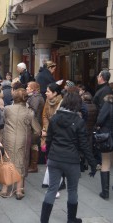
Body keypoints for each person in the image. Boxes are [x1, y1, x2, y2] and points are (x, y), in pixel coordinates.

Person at [40, 91, 97, 223]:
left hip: (54, 157)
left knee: (51, 190)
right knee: (72, 190)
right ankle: (71, 219)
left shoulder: (55, 118)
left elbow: (49, 139)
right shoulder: (78, 121)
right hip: (71, 160)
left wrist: (49, 155)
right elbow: (84, 145)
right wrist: (93, 164)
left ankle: (44, 221)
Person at [0, 89, 41, 199]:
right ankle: (19, 191)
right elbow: (37, 131)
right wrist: (31, 139)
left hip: (8, 138)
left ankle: (4, 190)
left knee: (7, 161)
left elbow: (4, 122)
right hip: (23, 139)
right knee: (21, 162)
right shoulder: (29, 112)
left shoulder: (7, 109)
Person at [41, 83, 63, 188]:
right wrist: (46, 128)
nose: (46, 93)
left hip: (58, 133)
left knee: (55, 157)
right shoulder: (47, 101)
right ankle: (50, 179)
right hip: (48, 131)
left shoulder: (62, 102)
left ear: (55, 93)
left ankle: (58, 181)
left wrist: (51, 130)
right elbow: (44, 115)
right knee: (48, 154)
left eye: (48, 91)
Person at [95, 92, 113, 200]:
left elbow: (100, 120)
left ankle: (105, 193)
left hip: (107, 137)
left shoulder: (108, 103)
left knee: (106, 162)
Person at [26, 82, 45, 173]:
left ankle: (33, 166)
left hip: (35, 123)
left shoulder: (35, 98)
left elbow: (32, 111)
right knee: (33, 144)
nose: (26, 88)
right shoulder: (34, 97)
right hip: (35, 123)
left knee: (33, 144)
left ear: (33, 89)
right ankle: (32, 165)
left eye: (28, 87)